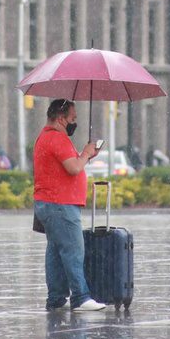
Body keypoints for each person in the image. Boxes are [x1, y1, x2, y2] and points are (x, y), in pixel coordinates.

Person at [33, 98, 106, 313]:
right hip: (60, 204)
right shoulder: (57, 139)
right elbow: (74, 168)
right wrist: (85, 153)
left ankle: (56, 298)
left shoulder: (45, 138)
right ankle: (81, 297)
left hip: (49, 203)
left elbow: (68, 166)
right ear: (61, 118)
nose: (75, 122)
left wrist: (88, 156)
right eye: (72, 118)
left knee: (56, 252)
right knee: (74, 250)